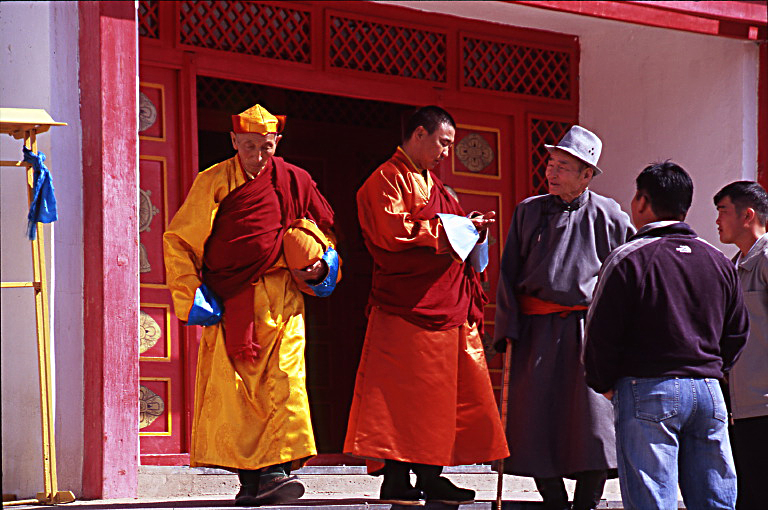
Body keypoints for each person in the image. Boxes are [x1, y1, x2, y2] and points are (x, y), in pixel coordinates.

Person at [163, 104, 341, 506]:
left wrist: (322, 266)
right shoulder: (213, 181)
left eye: (266, 147)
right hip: (233, 301)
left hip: (283, 299)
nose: (258, 156)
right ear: (233, 142)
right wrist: (190, 292)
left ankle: (276, 472)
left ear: (277, 142)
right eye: (249, 147)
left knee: (285, 381)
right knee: (239, 393)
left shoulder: (295, 180)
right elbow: (179, 240)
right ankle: (250, 482)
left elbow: (325, 231)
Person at [344, 105, 509, 506]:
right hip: (404, 308)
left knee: (438, 398)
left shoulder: (437, 187)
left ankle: (432, 476)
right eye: (442, 143)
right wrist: (453, 229)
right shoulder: (386, 179)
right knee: (399, 397)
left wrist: (473, 228)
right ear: (419, 134)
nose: (446, 153)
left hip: (442, 305)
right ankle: (396, 478)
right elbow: (392, 232)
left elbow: (455, 239)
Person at [584, 161, 749, 509]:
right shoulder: (718, 261)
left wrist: (604, 383)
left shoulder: (627, 258)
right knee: (715, 501)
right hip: (708, 392)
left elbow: (600, 332)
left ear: (642, 202)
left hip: (647, 387)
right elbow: (737, 330)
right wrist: (713, 370)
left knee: (652, 501)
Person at [494, 125, 634, 510]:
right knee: (536, 420)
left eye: (563, 167)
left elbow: (631, 273)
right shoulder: (528, 211)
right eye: (551, 164)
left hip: (589, 332)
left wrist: (624, 335)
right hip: (536, 331)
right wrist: (508, 329)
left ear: (587, 174)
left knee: (593, 424)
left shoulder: (610, 215)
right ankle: (553, 501)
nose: (551, 173)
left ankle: (587, 502)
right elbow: (508, 273)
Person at [714, 181, 768, 510]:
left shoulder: (765, 259)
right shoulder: (733, 266)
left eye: (723, 211)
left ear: (747, 215)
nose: (717, 220)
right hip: (742, 408)